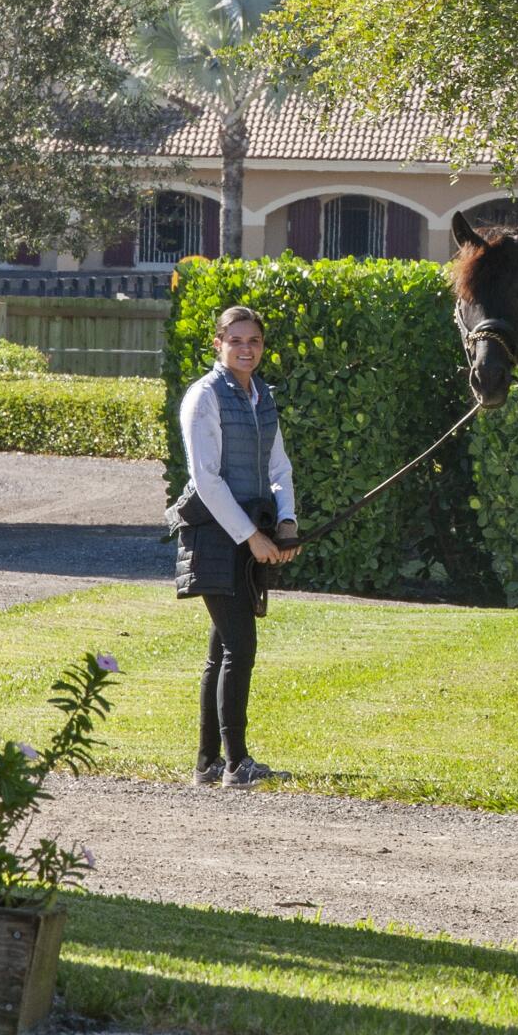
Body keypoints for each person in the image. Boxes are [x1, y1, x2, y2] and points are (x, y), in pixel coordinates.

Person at [167, 304, 298, 786]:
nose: (247, 349)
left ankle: (208, 763)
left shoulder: (263, 397)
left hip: (251, 532)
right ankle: (237, 762)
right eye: (237, 341)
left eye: (255, 342)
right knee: (240, 647)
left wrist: (286, 523)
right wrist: (252, 537)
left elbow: (278, 467)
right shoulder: (203, 398)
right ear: (218, 344)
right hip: (213, 535)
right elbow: (206, 480)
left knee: (222, 649)